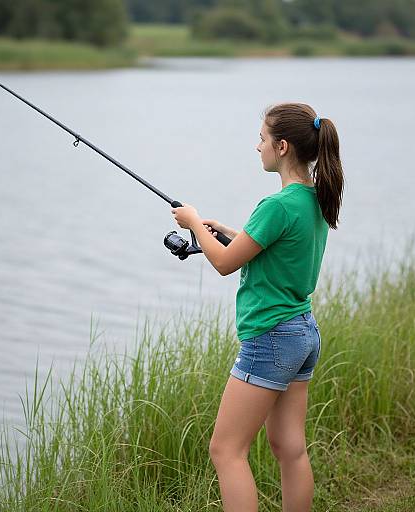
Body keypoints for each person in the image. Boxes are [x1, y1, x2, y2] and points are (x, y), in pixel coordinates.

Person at [171, 102, 344, 512]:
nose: (257, 146)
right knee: (290, 449)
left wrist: (195, 222)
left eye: (262, 139)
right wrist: (231, 232)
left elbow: (224, 264)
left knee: (226, 451)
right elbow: (271, 248)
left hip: (271, 338)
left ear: (282, 147)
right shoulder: (314, 199)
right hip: (302, 332)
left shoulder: (277, 206)